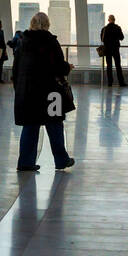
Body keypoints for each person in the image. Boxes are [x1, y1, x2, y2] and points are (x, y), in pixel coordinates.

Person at [13, 12, 75, 171]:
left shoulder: (22, 42)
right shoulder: (50, 41)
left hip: (28, 92)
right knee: (54, 125)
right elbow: (58, 67)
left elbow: (16, 69)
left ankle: (25, 162)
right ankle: (62, 160)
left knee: (30, 126)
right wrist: (67, 67)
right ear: (47, 24)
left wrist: (19, 88)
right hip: (50, 92)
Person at [99, 14, 126, 88]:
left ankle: (110, 82)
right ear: (114, 20)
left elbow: (102, 39)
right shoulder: (117, 28)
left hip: (107, 50)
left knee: (109, 66)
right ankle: (121, 82)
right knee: (118, 66)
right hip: (115, 49)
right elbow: (122, 37)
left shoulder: (104, 29)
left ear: (108, 20)